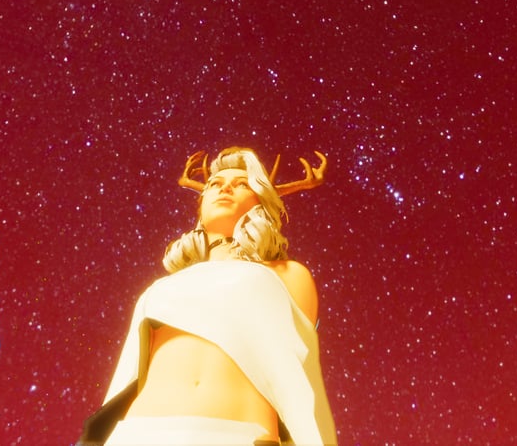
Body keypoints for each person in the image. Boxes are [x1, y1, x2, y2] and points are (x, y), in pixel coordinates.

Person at [81, 148, 338, 446]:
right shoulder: (164, 285)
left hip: (238, 435)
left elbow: (296, 370)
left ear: (261, 202)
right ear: (201, 204)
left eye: (242, 184)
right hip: (137, 434)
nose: (225, 188)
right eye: (215, 184)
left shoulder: (284, 273)